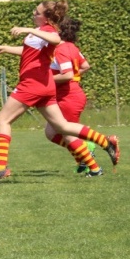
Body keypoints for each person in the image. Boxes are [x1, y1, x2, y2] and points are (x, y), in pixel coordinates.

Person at [0, 0, 120, 184]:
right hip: (44, 85)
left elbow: (55, 38)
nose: (33, 14)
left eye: (37, 12)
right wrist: (5, 49)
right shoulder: (41, 32)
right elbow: (29, 51)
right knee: (61, 127)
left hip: (32, 84)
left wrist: (27, 29)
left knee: (2, 120)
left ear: (46, 17)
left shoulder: (49, 30)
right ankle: (105, 142)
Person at [45, 17, 98, 174]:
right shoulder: (71, 46)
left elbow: (67, 75)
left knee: (67, 134)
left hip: (69, 96)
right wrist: (74, 76)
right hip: (65, 94)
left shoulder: (61, 49)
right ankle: (83, 154)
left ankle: (92, 164)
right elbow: (85, 66)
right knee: (50, 133)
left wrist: (46, 80)